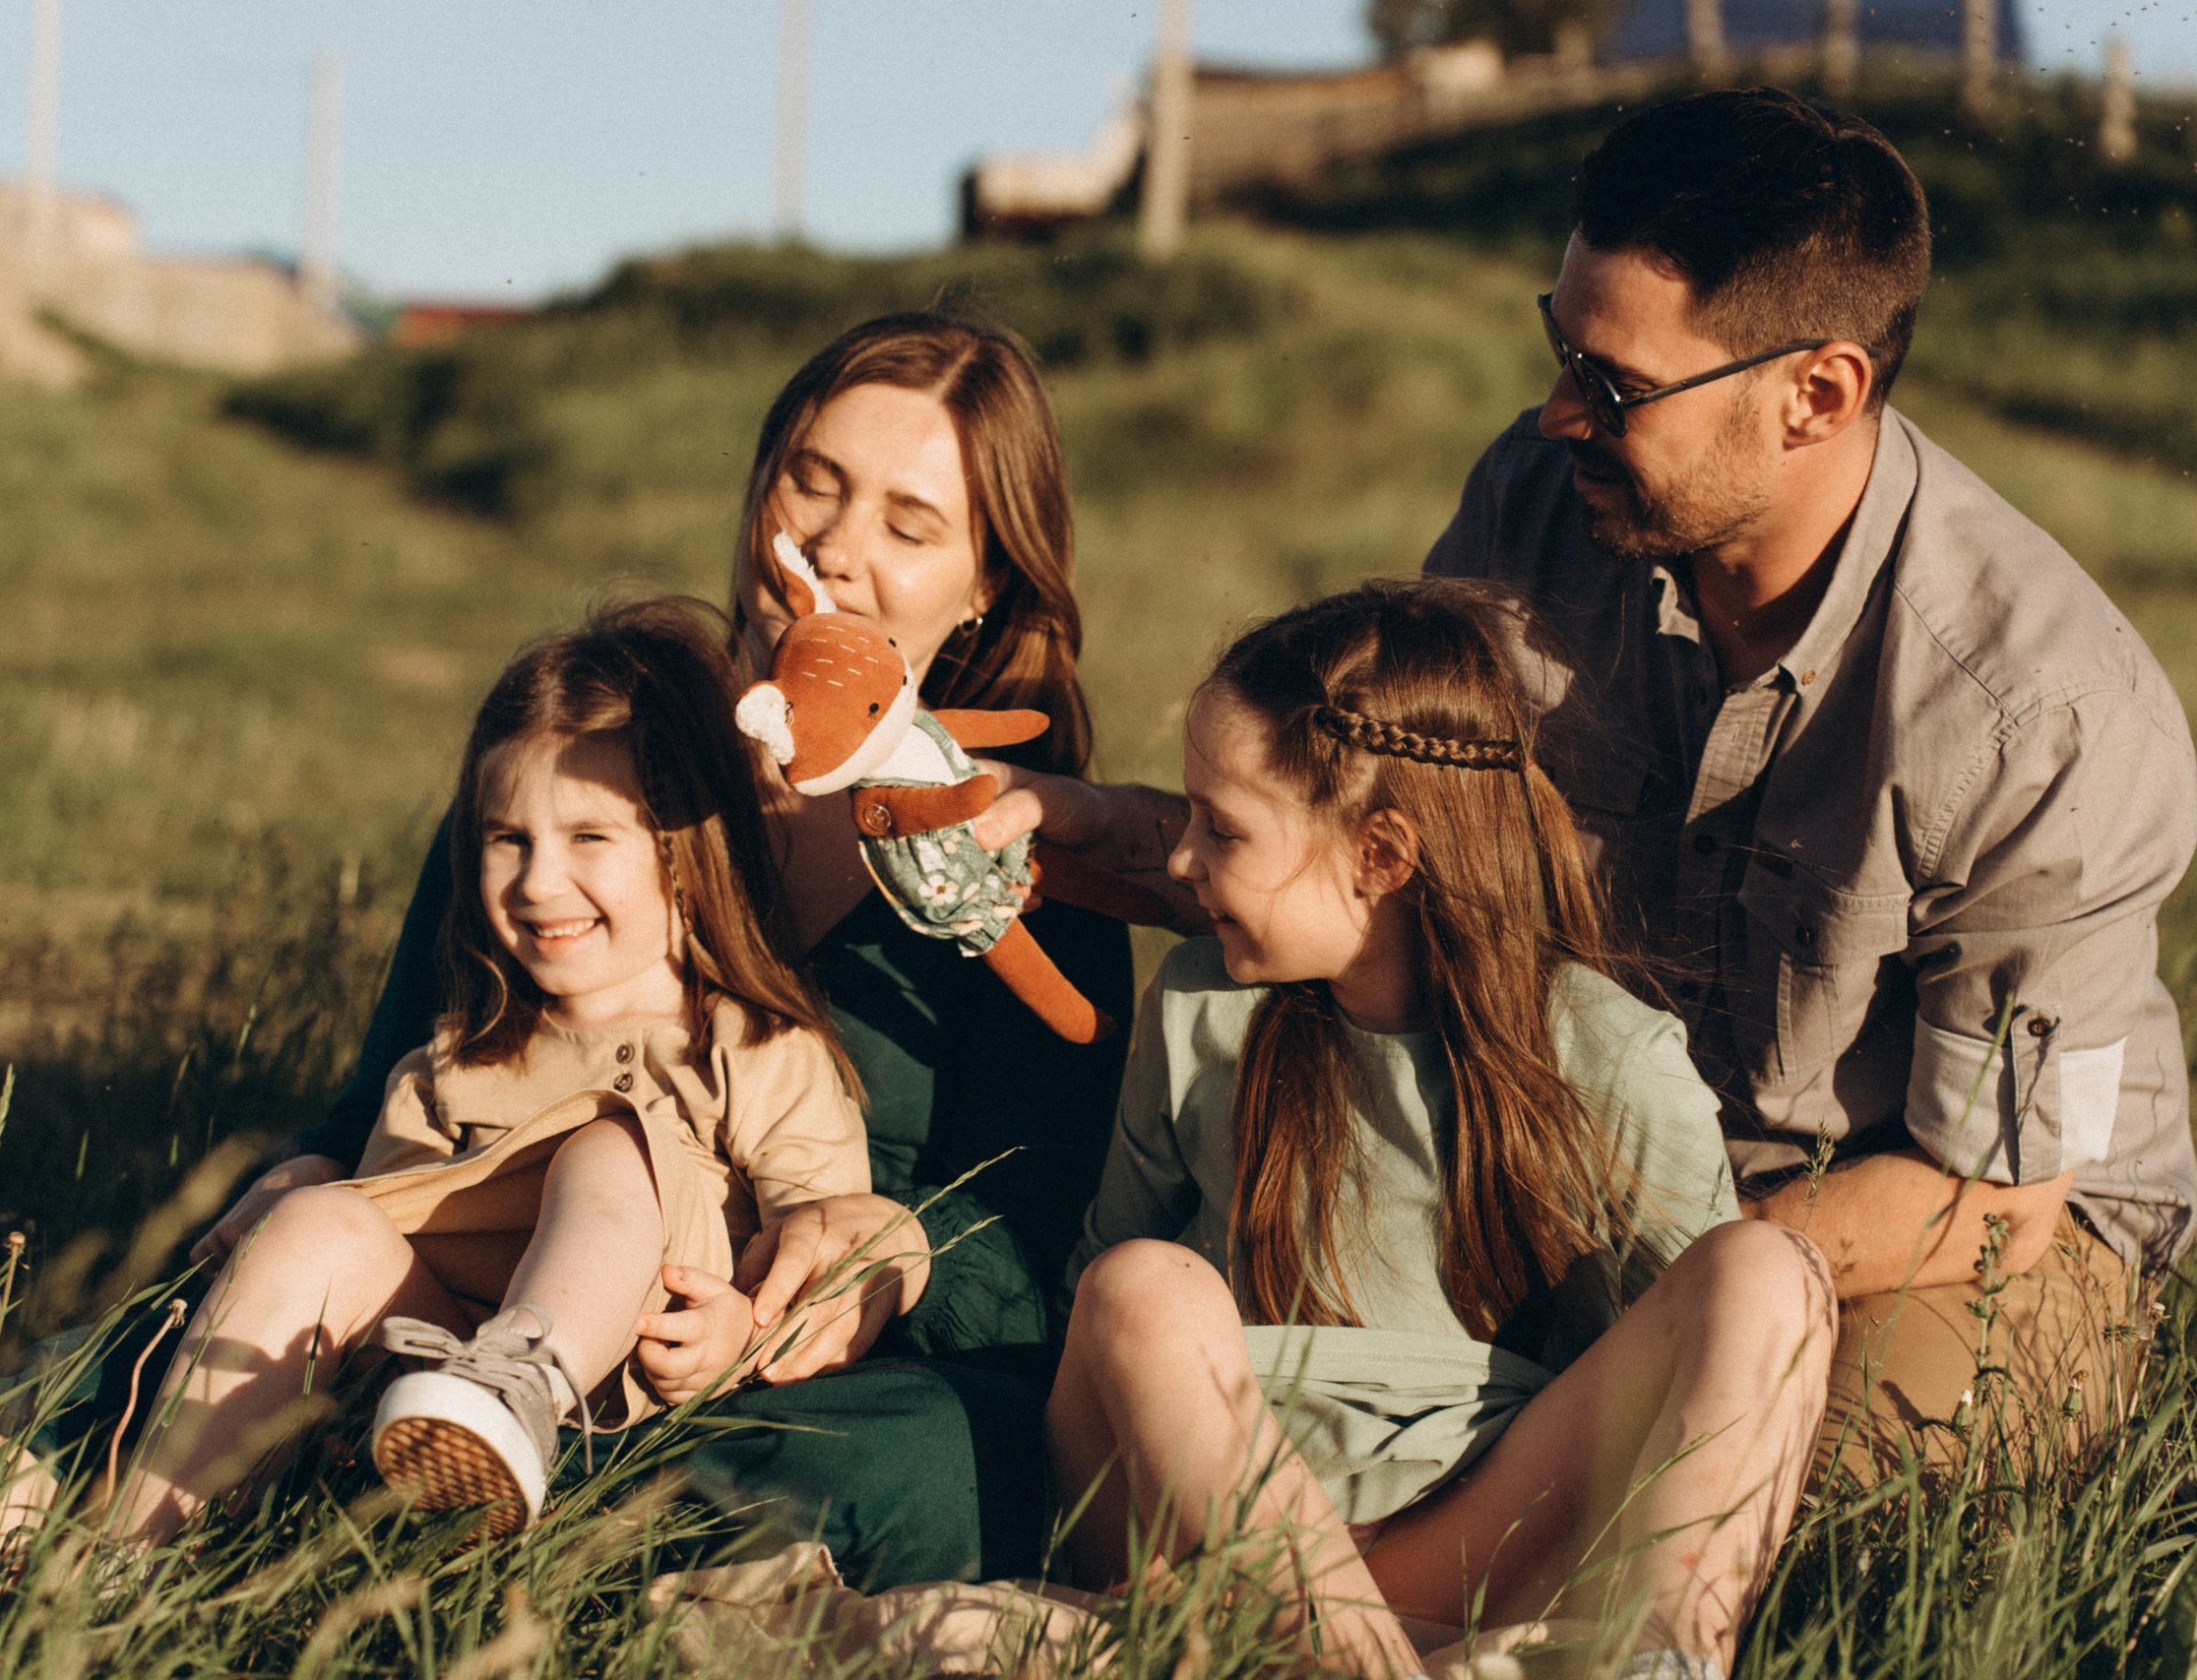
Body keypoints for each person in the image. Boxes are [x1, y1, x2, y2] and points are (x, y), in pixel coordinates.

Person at [984, 89, 2197, 1485]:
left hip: (1931, 1230)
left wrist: (1694, 1299)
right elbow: (1363, 854)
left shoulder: (2040, 713)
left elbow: (1999, 1200)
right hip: (1577, 1144)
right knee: (1283, 1408)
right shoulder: (1541, 499)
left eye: (1612, 387)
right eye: (1560, 349)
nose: (1559, 412)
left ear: (1819, 393)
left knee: (1757, 1477)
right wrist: (1077, 835)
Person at [184, 312, 1138, 1584]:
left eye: (911, 526)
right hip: (465, 1284)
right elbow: (406, 1070)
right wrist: (303, 1169)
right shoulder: (585, 753)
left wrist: (891, 1255)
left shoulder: (1019, 860)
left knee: (922, 1460)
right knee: (241, 1296)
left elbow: (1026, 1246)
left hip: (791, 1365)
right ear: (756, 489)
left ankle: (407, 1498)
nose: (839, 548)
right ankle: (146, 1482)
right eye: (813, 482)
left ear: (986, 587)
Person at [1051, 581, 1834, 1679]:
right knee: (1138, 1284)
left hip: (1469, 1533)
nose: (1180, 861)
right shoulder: (1200, 1008)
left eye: (1221, 828)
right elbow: (1098, 1307)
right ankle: (1340, 1650)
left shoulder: (1606, 1058)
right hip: (1207, 1523)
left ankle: (1660, 1656)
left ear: (1380, 857)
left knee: (1770, 1272)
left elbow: (1686, 1373)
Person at [105, 600, 871, 1542]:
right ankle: (128, 1550)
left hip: (610, 1403)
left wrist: (743, 1336)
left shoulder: (755, 1046)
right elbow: (382, 1235)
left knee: (611, 1143)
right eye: (509, 839)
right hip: (421, 1379)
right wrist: (308, 1198)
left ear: (682, 852)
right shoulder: (463, 1054)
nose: (539, 881)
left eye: (589, 837)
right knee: (318, 1218)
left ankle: (520, 1388)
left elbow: (829, 1250)